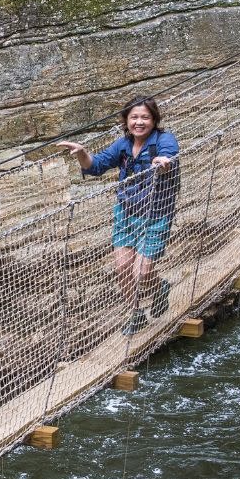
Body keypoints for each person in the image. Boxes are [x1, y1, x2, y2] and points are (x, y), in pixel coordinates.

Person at [54, 96, 180, 335]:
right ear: (126, 120)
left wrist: (163, 163)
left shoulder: (164, 140)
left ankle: (160, 287)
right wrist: (82, 152)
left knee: (142, 272)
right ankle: (135, 314)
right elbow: (96, 166)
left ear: (154, 120)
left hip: (156, 213)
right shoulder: (122, 145)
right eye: (134, 117)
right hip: (126, 212)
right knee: (123, 266)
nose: (139, 122)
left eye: (145, 117)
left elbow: (168, 158)